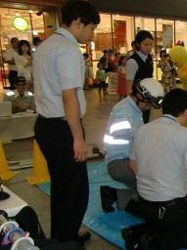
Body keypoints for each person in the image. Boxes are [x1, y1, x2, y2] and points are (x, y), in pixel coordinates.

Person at [32, 0, 100, 244]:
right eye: (91, 28)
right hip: (62, 128)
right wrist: (78, 139)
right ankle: (66, 242)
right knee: (75, 191)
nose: (91, 35)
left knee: (61, 188)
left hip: (45, 125)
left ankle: (62, 237)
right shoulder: (68, 49)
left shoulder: (46, 45)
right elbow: (69, 96)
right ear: (78, 22)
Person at [122, 89, 187, 250]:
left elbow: (132, 163)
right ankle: (153, 244)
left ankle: (136, 233)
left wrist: (148, 181)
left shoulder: (143, 129)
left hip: (145, 204)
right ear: (186, 112)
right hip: (169, 208)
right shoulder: (186, 134)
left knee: (167, 223)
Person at [100, 78, 164, 213]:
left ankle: (114, 195)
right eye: (148, 104)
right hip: (119, 163)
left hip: (126, 160)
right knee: (155, 190)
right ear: (140, 96)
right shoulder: (124, 112)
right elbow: (137, 141)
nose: (149, 108)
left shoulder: (132, 109)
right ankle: (114, 196)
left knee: (153, 188)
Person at [126, 30, 154, 123]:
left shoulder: (149, 58)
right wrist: (132, 105)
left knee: (145, 123)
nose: (149, 47)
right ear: (138, 44)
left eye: (150, 44)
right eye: (145, 45)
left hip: (146, 98)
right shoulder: (133, 62)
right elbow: (128, 87)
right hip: (136, 101)